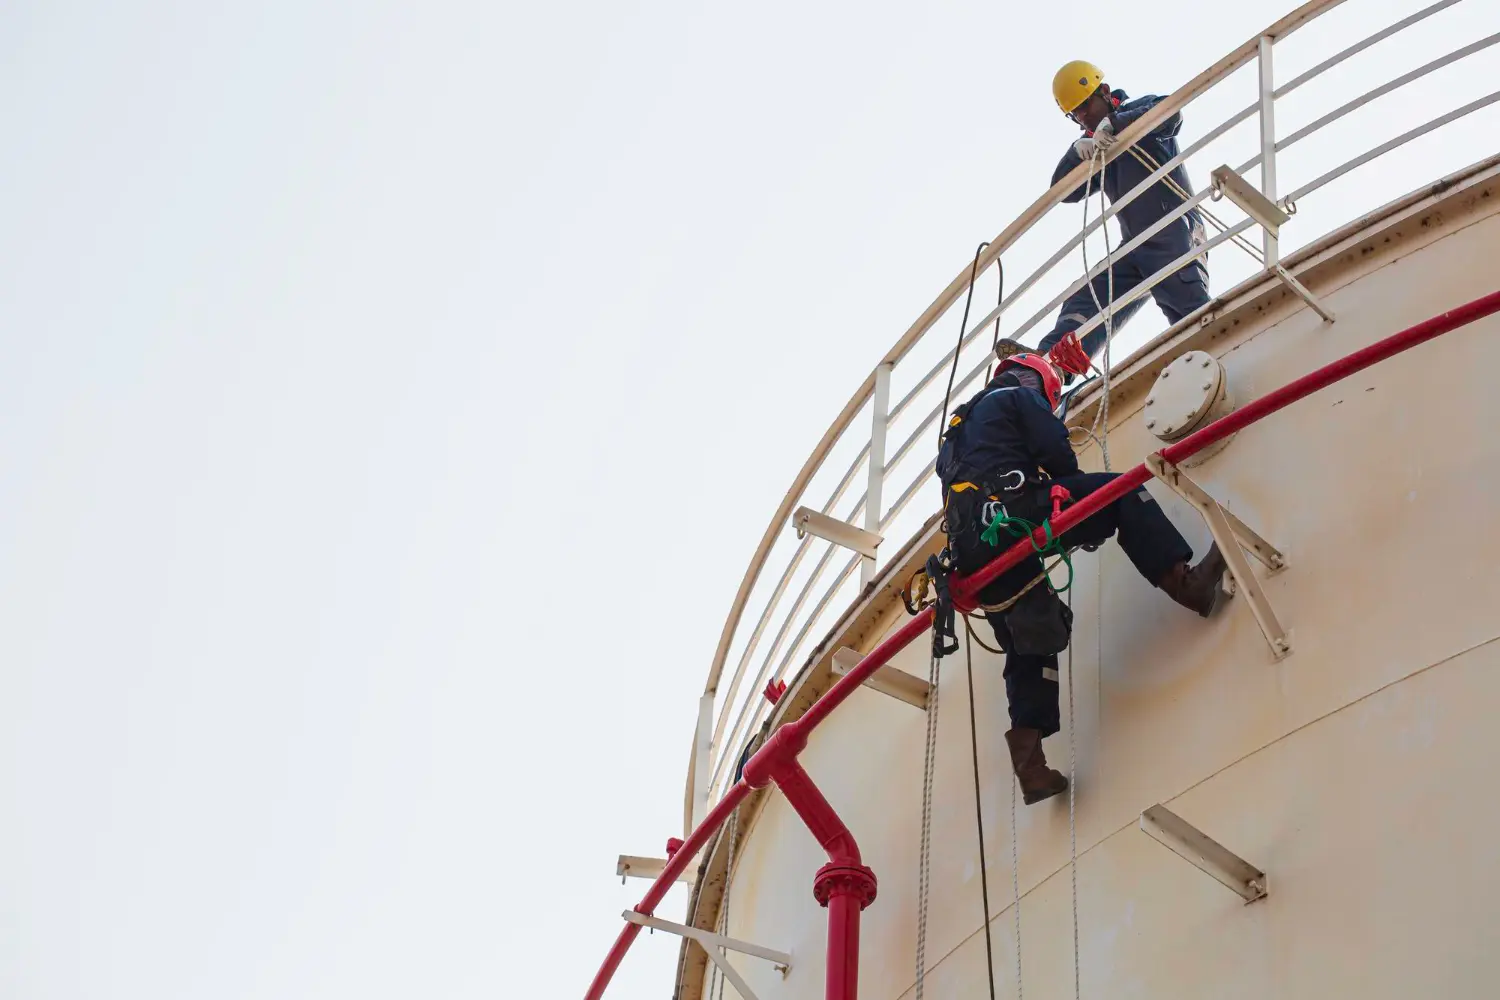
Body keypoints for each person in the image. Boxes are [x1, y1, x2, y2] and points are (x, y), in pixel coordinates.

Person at [935, 351, 1228, 804]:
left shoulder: (955, 435)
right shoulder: (1017, 397)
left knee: (1030, 635)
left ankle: (1031, 765)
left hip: (973, 550)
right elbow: (1052, 445)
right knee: (1118, 492)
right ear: (1037, 383)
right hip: (1016, 513)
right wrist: (1078, 498)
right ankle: (1187, 584)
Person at [1036, 60, 1211, 374]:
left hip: (1173, 234)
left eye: (1085, 106)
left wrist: (1116, 123)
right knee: (1087, 298)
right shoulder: (1096, 147)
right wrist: (1077, 151)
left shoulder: (1140, 109)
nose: (1082, 117)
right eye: (1074, 114)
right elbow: (1063, 191)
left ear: (1104, 92)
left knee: (1190, 312)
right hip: (1134, 246)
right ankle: (1046, 367)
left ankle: (1218, 353)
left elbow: (1171, 113)